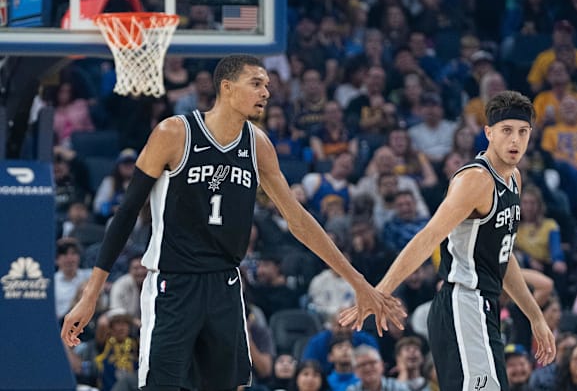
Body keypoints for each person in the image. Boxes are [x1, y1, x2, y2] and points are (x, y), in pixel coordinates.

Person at [61, 54, 404, 391]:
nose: (266, 92)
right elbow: (124, 215)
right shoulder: (174, 133)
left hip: (225, 284)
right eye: (256, 84)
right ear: (226, 87)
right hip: (172, 284)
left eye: (267, 85)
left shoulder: (258, 145)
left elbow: (298, 221)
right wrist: (91, 294)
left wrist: (359, 282)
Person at [340, 90, 556, 391]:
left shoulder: (514, 179)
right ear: (489, 133)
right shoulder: (475, 181)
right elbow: (428, 236)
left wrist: (535, 316)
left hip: (484, 306)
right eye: (507, 131)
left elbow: (502, 256)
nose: (515, 140)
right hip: (462, 302)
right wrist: (381, 292)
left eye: (522, 132)